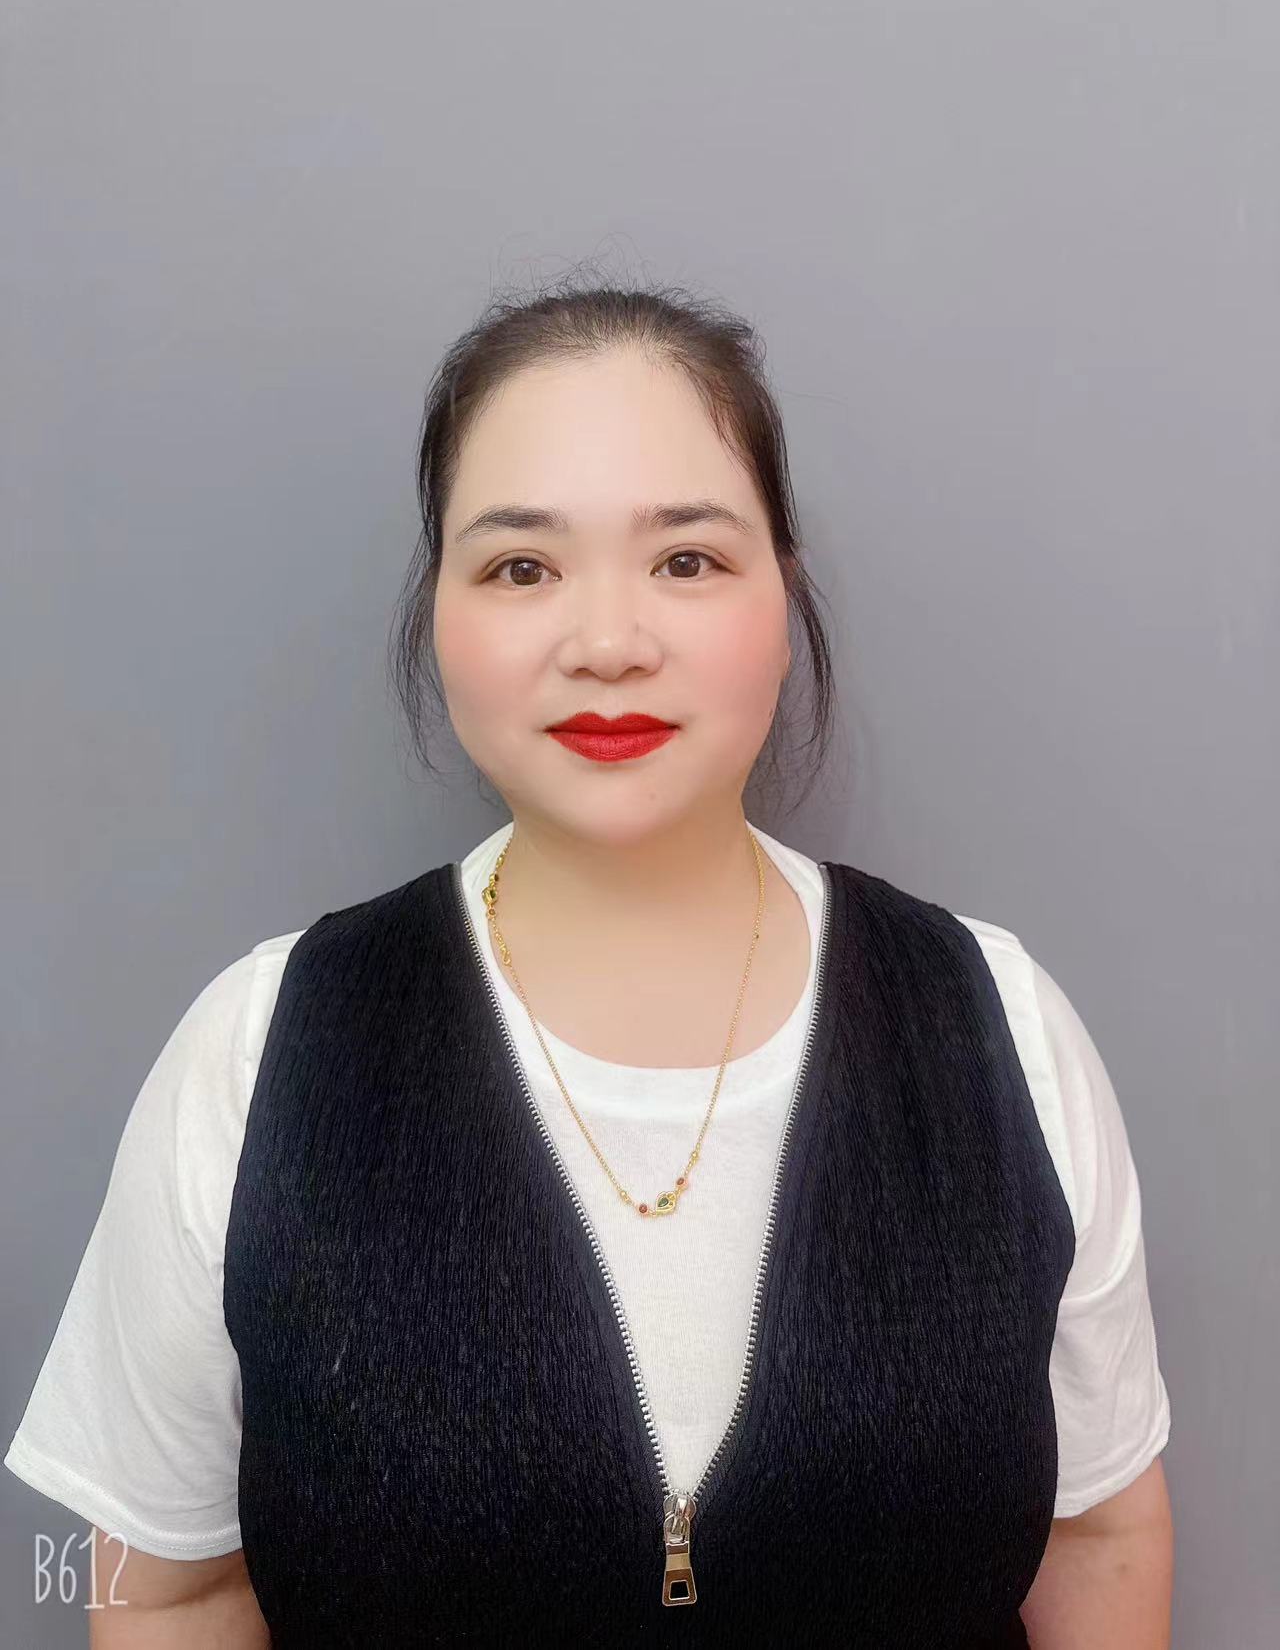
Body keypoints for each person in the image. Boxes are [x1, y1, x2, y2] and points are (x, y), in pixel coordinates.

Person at [5, 281, 1173, 1647]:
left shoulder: (999, 1027)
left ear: (782, 597)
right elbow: (169, 1587)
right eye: (521, 567)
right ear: (437, 614)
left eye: (688, 559)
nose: (609, 644)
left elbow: (1101, 1536)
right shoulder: (259, 1054)